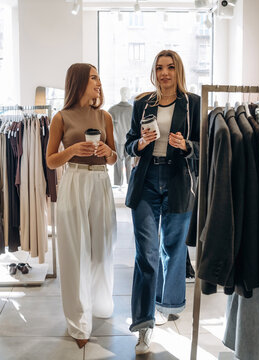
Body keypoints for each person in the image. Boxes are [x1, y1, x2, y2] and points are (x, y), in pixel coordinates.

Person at [125, 50, 200, 354]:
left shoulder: (192, 103)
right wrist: (140, 143)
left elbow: (203, 144)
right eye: (159, 67)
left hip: (178, 181)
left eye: (170, 67)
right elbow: (129, 143)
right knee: (146, 253)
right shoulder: (143, 103)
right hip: (145, 182)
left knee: (174, 248)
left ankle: (169, 303)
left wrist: (187, 146)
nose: (165, 72)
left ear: (178, 70)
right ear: (153, 72)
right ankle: (143, 325)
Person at [46, 63, 118, 349]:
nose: (98, 82)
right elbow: (50, 160)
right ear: (78, 82)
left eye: (98, 76)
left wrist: (107, 151)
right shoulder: (60, 118)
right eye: (93, 77)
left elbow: (114, 158)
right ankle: (79, 322)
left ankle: (100, 305)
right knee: (75, 253)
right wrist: (73, 150)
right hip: (74, 182)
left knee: (102, 250)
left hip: (101, 183)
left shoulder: (106, 116)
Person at [108, 87, 133, 187]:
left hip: (120, 138)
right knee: (125, 161)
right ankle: (124, 183)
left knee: (120, 161)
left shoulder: (113, 110)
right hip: (123, 139)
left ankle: (121, 183)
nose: (126, 94)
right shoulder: (113, 110)